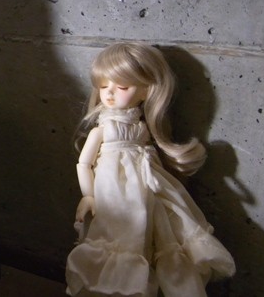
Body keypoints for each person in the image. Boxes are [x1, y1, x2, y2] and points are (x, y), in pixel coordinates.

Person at [65, 43, 235, 297]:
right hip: (114, 194)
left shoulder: (142, 128)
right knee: (120, 239)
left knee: (153, 237)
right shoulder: (102, 130)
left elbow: (148, 159)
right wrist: (88, 195)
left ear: (147, 90)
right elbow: (84, 163)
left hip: (146, 188)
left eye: (122, 87)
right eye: (103, 86)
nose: (109, 93)